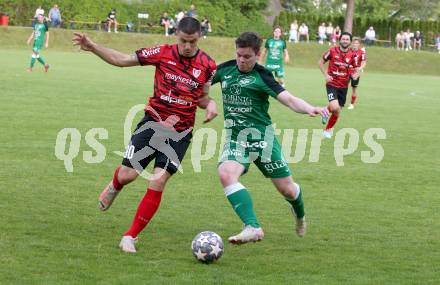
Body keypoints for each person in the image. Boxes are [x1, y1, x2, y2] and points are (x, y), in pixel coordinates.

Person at [72, 17, 217, 253]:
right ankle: (115, 184)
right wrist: (94, 47)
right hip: (153, 123)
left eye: (192, 41)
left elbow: (202, 97)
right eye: (183, 41)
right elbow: (122, 60)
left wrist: (210, 104)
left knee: (158, 180)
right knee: (129, 175)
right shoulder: (162, 52)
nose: (187, 46)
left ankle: (130, 236)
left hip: (180, 132)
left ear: (199, 37)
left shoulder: (208, 65)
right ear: (176, 35)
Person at [211, 31, 328, 244]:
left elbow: (289, 99)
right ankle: (252, 227)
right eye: (239, 55)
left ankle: (300, 215)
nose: (241, 60)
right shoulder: (225, 69)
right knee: (226, 173)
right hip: (237, 138)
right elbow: (199, 83)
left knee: (288, 190)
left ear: (257, 55)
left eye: (247, 57)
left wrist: (310, 108)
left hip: (263, 140)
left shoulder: (262, 75)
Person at [319, 32, 359, 138]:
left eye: (347, 39)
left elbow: (356, 68)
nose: (345, 41)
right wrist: (325, 75)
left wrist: (355, 74)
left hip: (343, 86)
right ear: (339, 40)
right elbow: (320, 62)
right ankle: (327, 116)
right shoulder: (332, 51)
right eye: (343, 39)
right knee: (335, 107)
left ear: (350, 42)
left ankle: (327, 127)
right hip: (331, 83)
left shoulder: (353, 55)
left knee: (337, 111)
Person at [348, 38, 366, 110]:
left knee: (354, 88)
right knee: (342, 87)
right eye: (354, 43)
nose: (355, 44)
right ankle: (340, 102)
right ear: (352, 44)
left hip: (355, 72)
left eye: (357, 43)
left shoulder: (362, 52)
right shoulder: (348, 51)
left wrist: (359, 69)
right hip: (347, 71)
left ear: (359, 44)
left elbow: (364, 63)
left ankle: (352, 104)